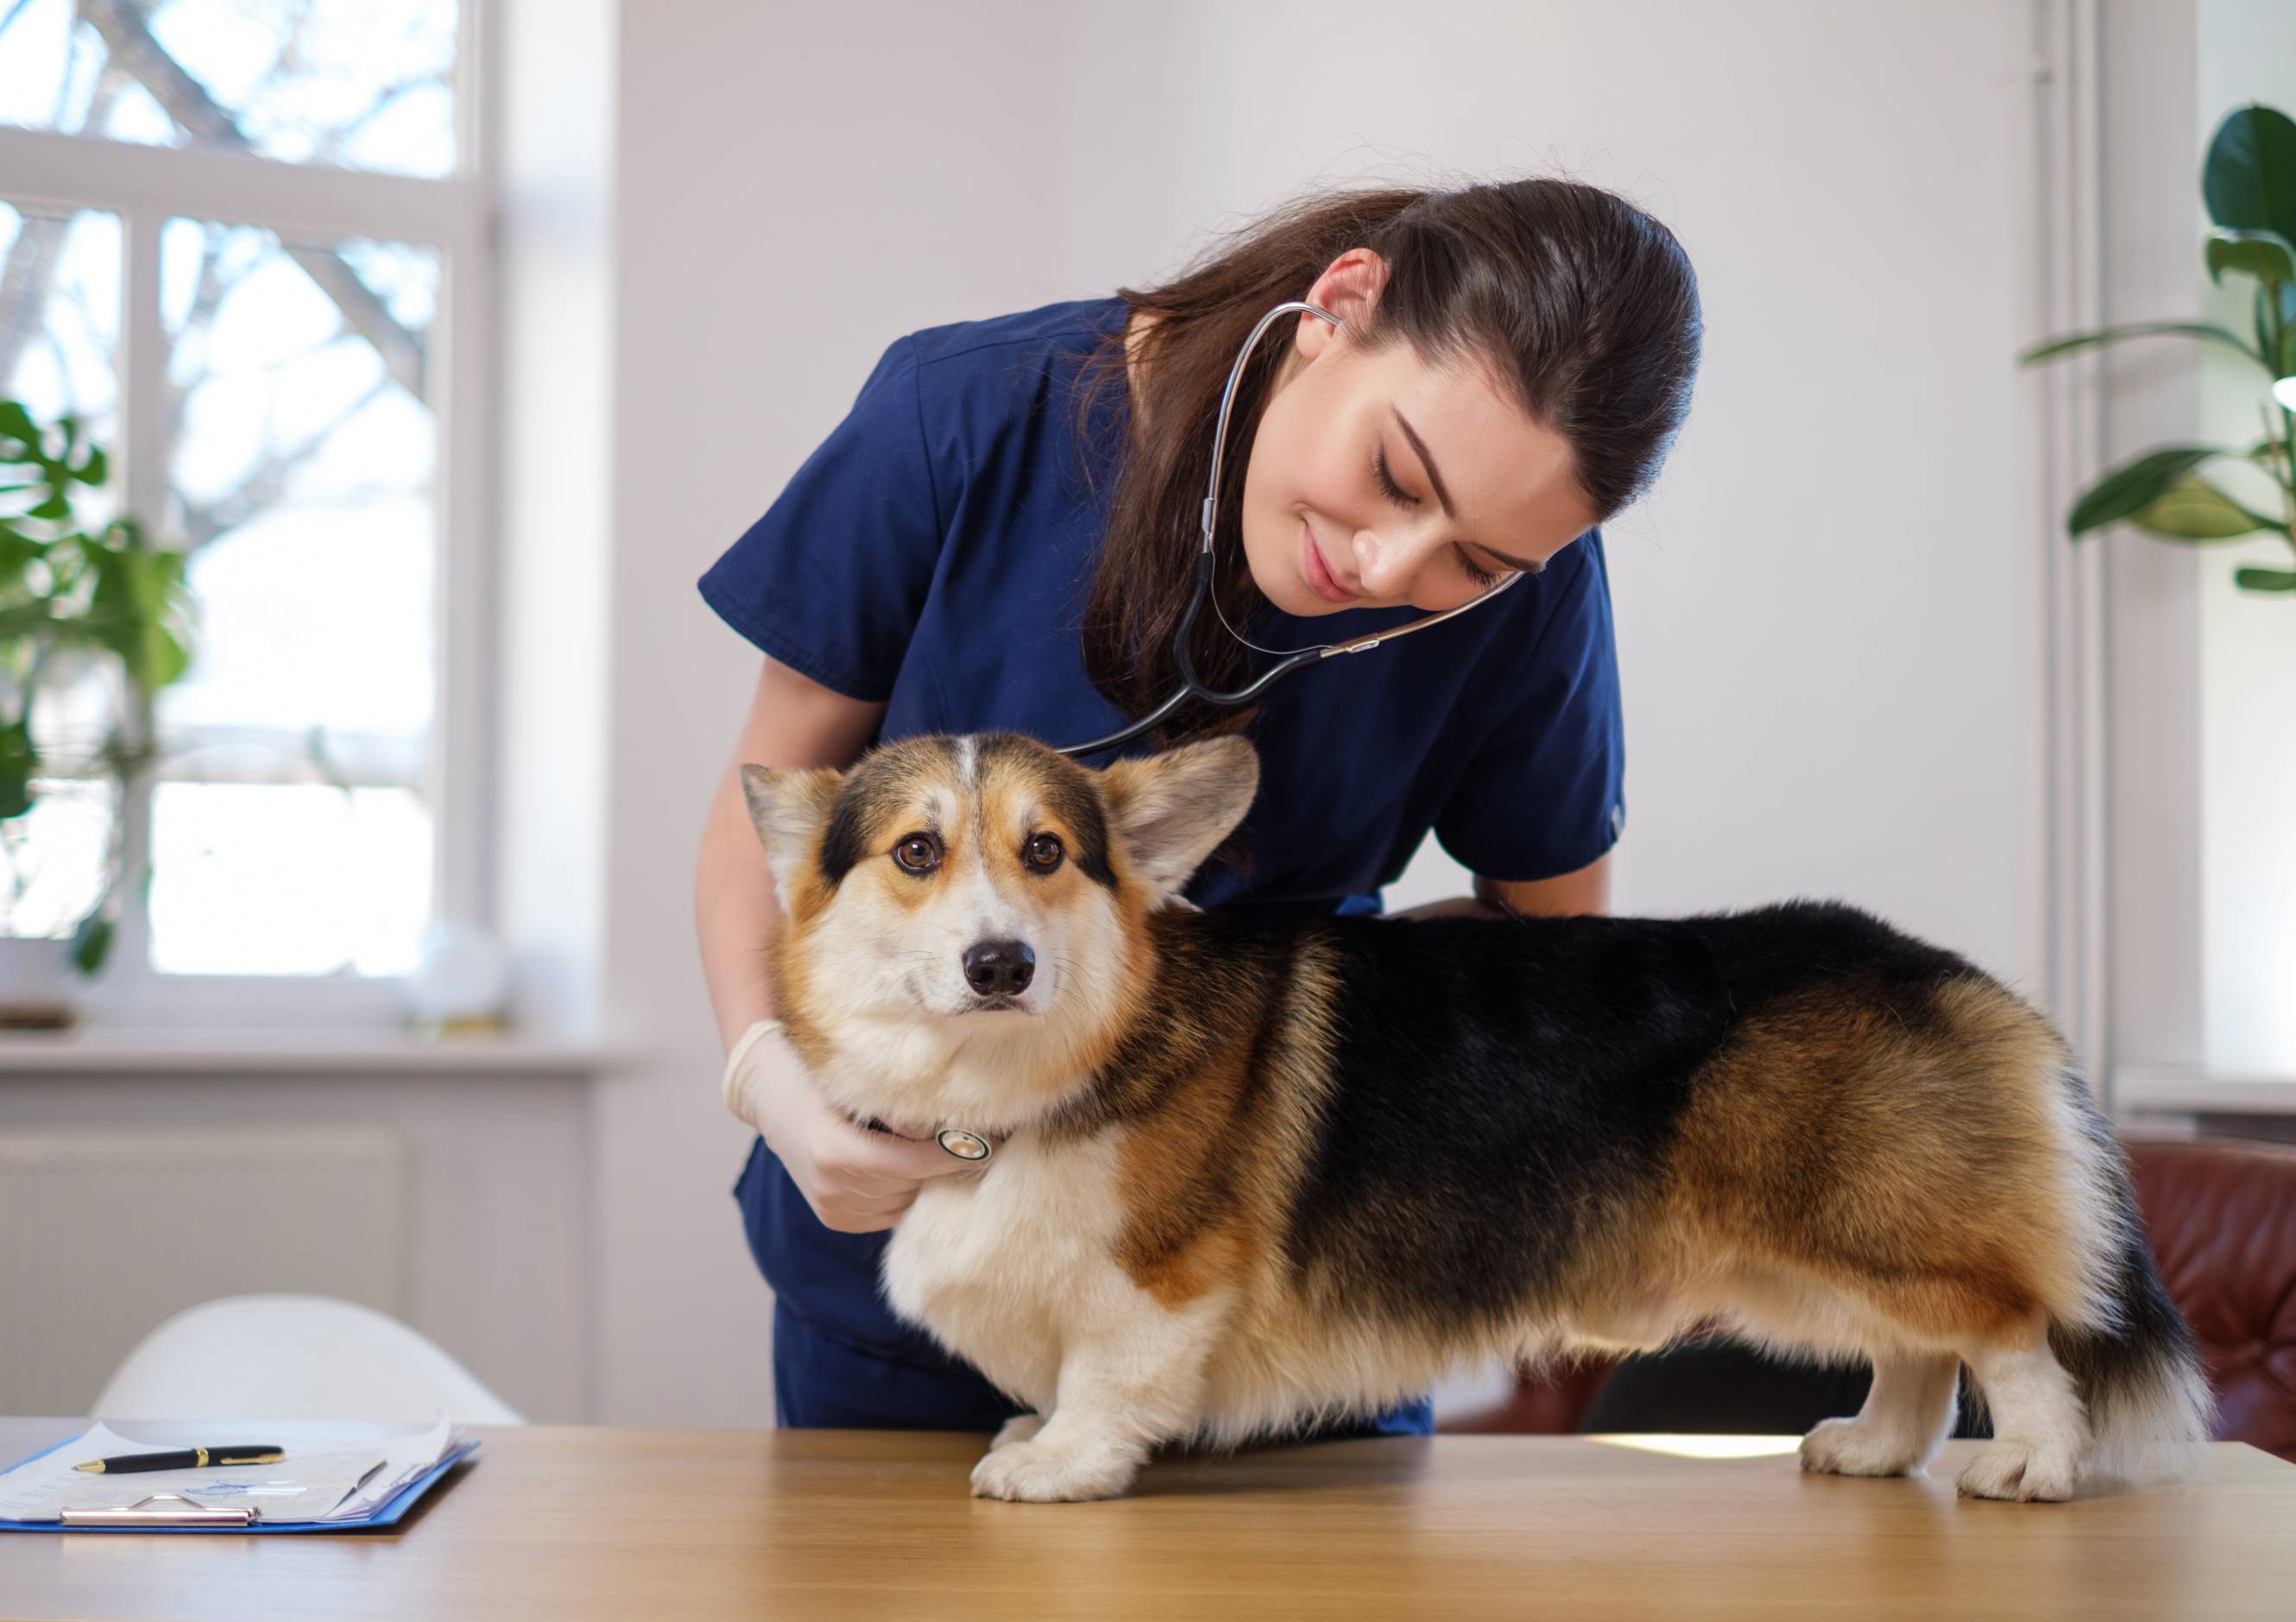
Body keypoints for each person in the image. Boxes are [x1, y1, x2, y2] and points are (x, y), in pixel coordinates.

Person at [691, 177, 1702, 1435]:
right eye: (1394, 473)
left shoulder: (1529, 601)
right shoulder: (967, 414)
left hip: (1292, 1308)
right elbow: (771, 806)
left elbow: (1546, 958)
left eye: (1477, 562)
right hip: (921, 1249)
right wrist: (765, 1076)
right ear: (1341, 304)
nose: (1391, 569)